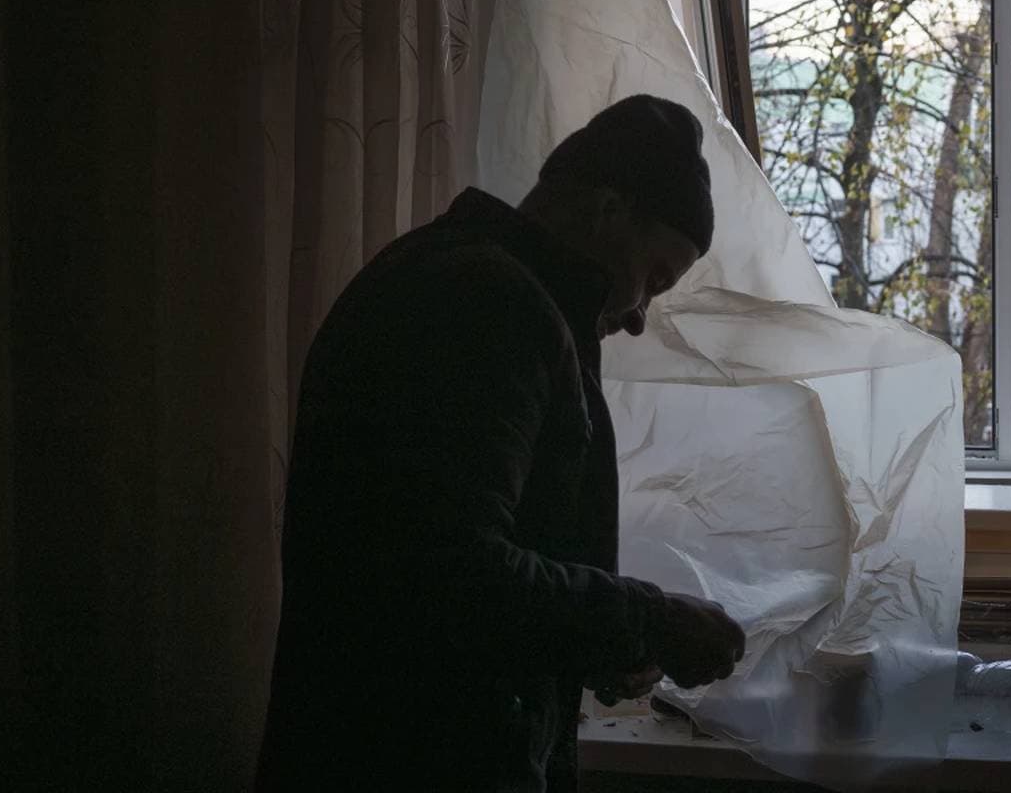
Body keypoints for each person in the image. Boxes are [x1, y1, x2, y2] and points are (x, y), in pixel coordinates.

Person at [257, 95, 746, 792]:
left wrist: (605, 645)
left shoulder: (450, 276)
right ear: (609, 211)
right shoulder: (486, 305)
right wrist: (652, 621)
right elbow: (450, 574)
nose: (641, 316)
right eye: (655, 279)